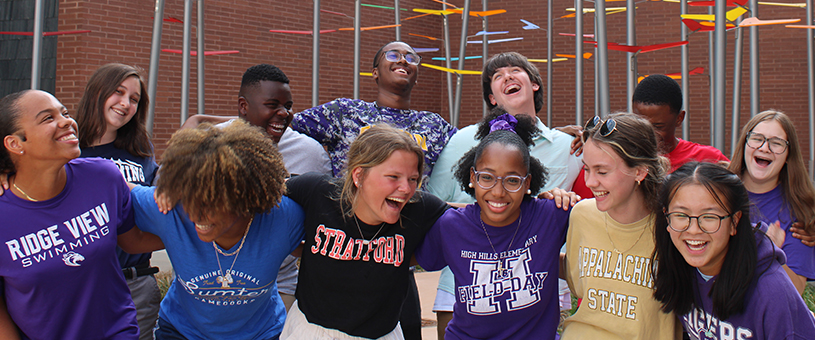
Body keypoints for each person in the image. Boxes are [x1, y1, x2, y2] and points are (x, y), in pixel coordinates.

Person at [289, 41, 456, 338]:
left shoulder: (435, 126)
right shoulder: (344, 112)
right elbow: (279, 123)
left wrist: (559, 132)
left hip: (391, 257)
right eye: (392, 54)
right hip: (335, 245)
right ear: (375, 72)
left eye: (411, 57)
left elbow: (482, 146)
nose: (403, 59)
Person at [425, 51, 582, 336]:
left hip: (540, 292)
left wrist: (593, 137)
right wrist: (472, 217)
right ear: (492, 98)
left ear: (534, 83)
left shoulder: (570, 146)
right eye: (497, 76)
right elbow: (432, 202)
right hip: (464, 288)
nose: (507, 76)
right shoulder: (463, 140)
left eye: (515, 70)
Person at [0, 89, 162, 340]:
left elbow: (134, 241)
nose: (66, 121)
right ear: (15, 143)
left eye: (64, 112)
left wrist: (209, 232)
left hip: (119, 333)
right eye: (47, 118)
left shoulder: (102, 176)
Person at [131, 120, 305, 340]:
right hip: (183, 332)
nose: (195, 215)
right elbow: (112, 185)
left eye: (210, 204)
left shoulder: (283, 217)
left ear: (245, 198)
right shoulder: (172, 209)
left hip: (260, 333)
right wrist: (165, 188)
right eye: (189, 199)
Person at [179, 64, 330, 311]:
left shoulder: (310, 153)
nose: (283, 113)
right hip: (207, 283)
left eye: (288, 106)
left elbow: (322, 219)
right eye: (272, 105)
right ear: (243, 106)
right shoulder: (209, 142)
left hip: (278, 286)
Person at [280, 124, 449, 340]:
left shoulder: (420, 208)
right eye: (393, 176)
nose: (407, 189)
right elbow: (264, 197)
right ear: (359, 175)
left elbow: (468, 221)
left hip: (382, 333)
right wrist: (300, 249)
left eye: (413, 179)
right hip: (313, 331)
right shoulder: (318, 193)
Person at [652, 161, 815, 338]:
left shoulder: (771, 293)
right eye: (681, 215)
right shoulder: (679, 268)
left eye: (709, 216)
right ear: (667, 219)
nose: (693, 229)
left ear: (734, 222)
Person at [561, 113, 681, 339]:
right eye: (587, 168)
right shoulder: (581, 215)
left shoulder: (673, 227)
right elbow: (577, 285)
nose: (590, 182)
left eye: (602, 171)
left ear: (640, 171)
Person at [74, 63, 161, 340]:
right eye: (118, 92)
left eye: (134, 99)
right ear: (97, 92)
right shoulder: (69, 146)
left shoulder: (141, 148)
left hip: (135, 283)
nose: (125, 104)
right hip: (83, 284)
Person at [728, 110, 815, 294]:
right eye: (757, 138)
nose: (764, 148)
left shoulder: (797, 211)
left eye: (776, 143)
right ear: (745, 143)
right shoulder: (717, 191)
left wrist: (770, 251)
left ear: (788, 156)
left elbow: (796, 290)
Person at [632, 74, 728, 171]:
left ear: (679, 118)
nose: (648, 134)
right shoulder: (624, 157)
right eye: (641, 125)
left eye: (658, 127)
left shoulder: (708, 159)